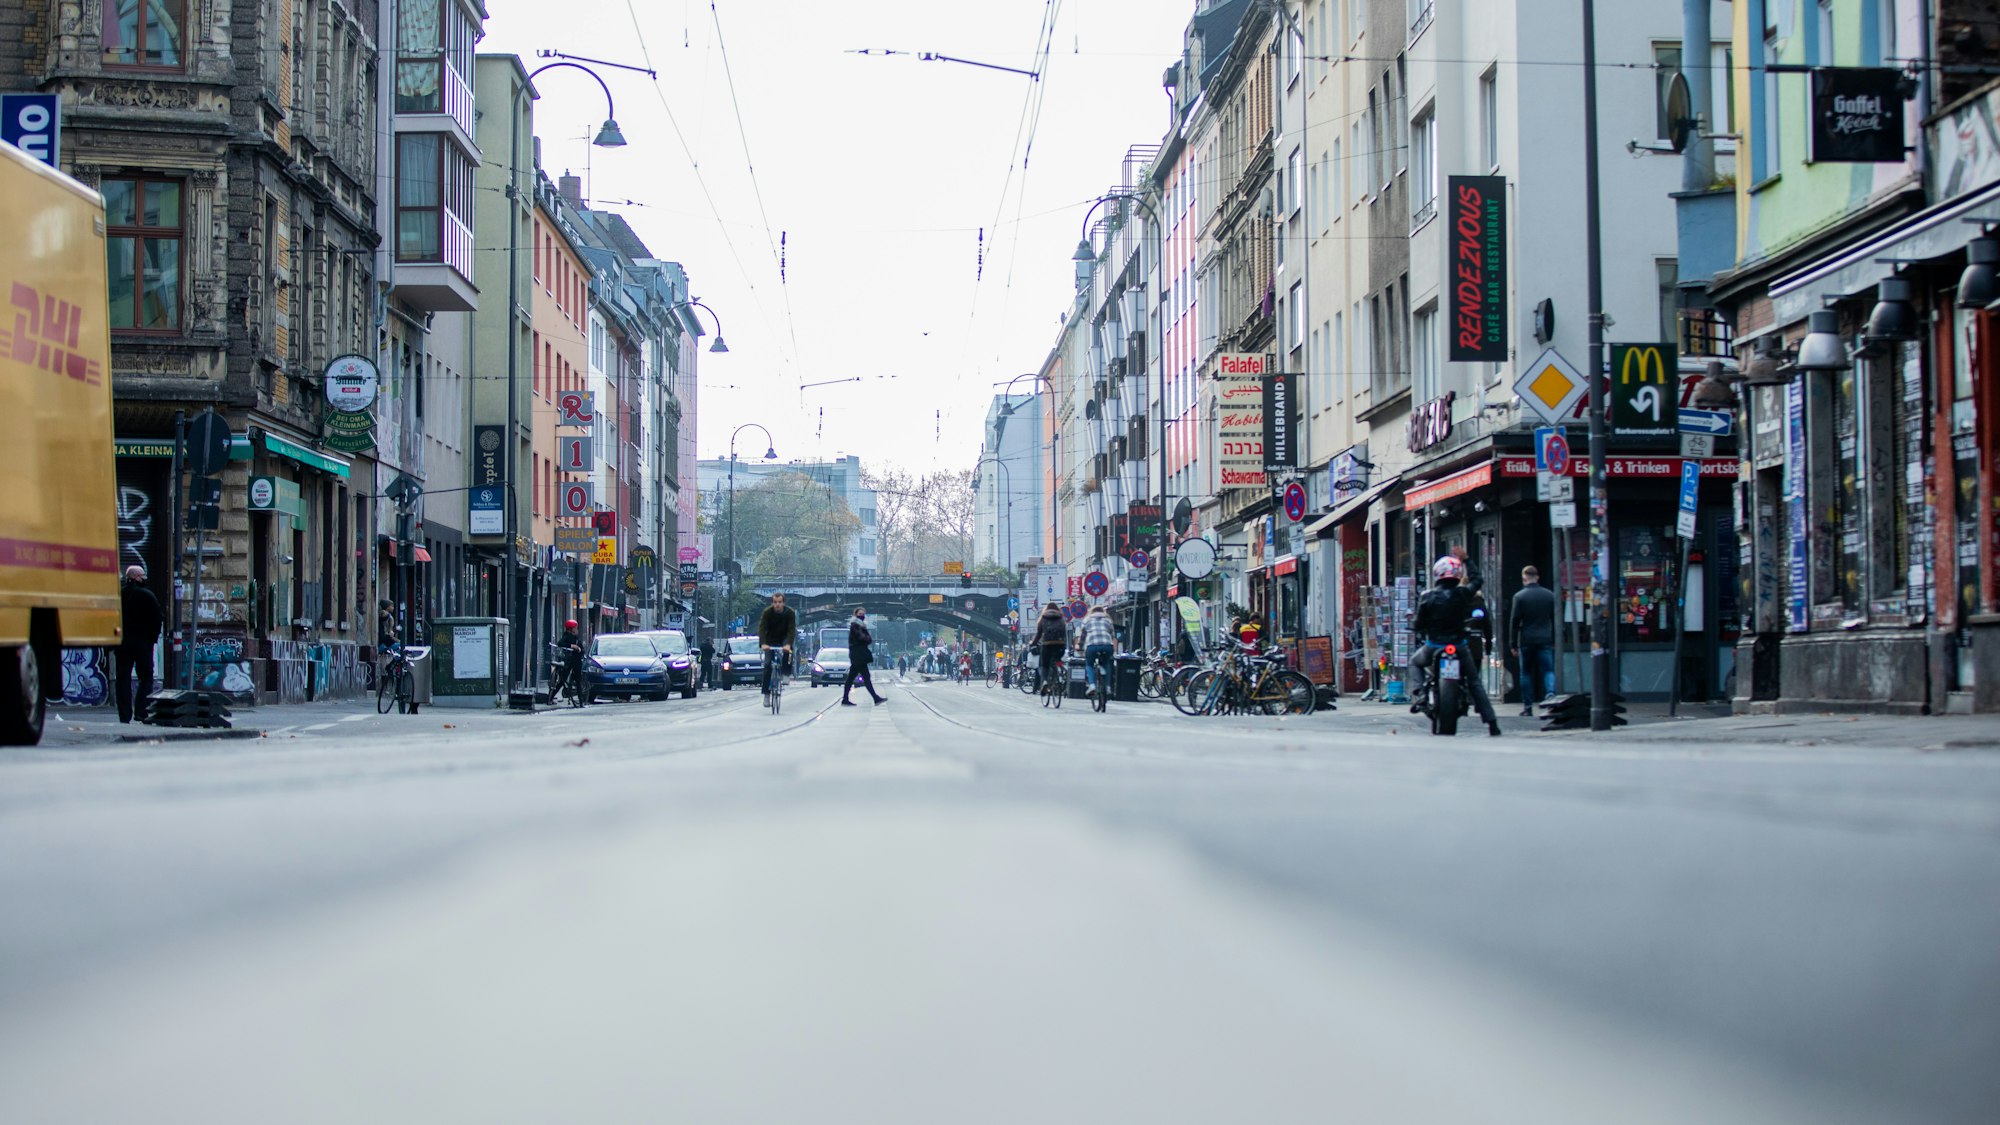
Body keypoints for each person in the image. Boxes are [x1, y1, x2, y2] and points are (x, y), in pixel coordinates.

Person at [1407, 555, 1501, 736]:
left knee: (1415, 662)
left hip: (1434, 645)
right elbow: (1478, 580)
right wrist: (1467, 559)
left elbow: (1419, 623)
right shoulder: (1463, 594)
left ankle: (1419, 695)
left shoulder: (1428, 596)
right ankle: (1491, 722)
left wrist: (1418, 627)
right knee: (1474, 682)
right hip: (1458, 646)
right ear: (1457, 575)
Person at [115, 565, 162, 724]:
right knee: (147, 676)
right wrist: (152, 639)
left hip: (122, 643)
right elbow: (157, 618)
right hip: (142, 643)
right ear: (136, 577)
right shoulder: (147, 595)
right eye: (142, 575)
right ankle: (141, 711)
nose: (145, 578)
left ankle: (124, 715)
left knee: (122, 678)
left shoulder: (118, 595)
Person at [1510, 565, 1558, 716]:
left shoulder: (1519, 597)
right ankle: (1550, 695)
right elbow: (1555, 619)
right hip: (1545, 639)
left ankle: (1528, 706)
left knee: (1525, 673)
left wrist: (1512, 644)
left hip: (1527, 640)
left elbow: (1514, 622)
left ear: (1524, 579)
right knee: (1548, 670)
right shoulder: (1549, 595)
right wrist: (1555, 638)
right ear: (1537, 577)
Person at [756, 592, 798, 698]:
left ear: (783, 603)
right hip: (770, 640)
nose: (777, 605)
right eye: (775, 602)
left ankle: (786, 674)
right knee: (767, 665)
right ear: (772, 603)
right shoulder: (767, 613)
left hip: (784, 638)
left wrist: (788, 644)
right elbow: (762, 629)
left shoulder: (790, 613)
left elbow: (791, 630)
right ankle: (766, 693)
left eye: (780, 602)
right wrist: (763, 644)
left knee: (789, 652)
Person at [841, 607, 886, 706]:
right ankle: (875, 698)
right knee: (864, 677)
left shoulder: (860, 626)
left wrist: (866, 637)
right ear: (855, 614)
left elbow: (868, 639)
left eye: (863, 614)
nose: (862, 615)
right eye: (860, 613)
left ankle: (845, 699)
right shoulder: (856, 626)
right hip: (858, 656)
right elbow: (864, 638)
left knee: (853, 678)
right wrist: (866, 636)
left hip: (858, 656)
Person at [1079, 605, 1118, 700]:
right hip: (1107, 645)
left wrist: (1080, 646)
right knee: (1106, 664)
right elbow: (1112, 634)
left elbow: (1083, 636)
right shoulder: (1108, 620)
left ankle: (1092, 685)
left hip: (1092, 646)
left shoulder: (1087, 620)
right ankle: (1108, 687)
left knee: (1089, 664)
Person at [1032, 604, 1067, 693]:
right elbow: (1063, 632)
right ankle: (1058, 672)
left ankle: (1044, 682)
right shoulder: (1060, 618)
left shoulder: (1043, 618)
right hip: (1060, 645)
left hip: (1047, 644)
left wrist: (1033, 643)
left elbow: (1039, 634)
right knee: (1058, 660)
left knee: (1044, 665)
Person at [553, 618, 583, 697]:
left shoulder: (576, 638)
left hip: (574, 661)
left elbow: (581, 649)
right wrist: (572, 646)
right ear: (571, 629)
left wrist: (579, 649)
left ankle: (581, 701)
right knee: (567, 680)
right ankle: (581, 702)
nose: (577, 629)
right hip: (571, 661)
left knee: (573, 681)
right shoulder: (567, 637)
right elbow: (560, 643)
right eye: (575, 628)